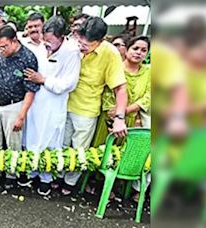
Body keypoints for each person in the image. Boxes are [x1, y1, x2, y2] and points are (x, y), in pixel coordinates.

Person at [63, 16, 128, 195]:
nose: (82, 47)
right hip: (62, 105)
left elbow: (121, 89)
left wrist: (120, 118)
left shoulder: (110, 53)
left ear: (101, 41)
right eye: (81, 41)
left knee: (78, 150)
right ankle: (56, 177)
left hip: (86, 109)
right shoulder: (70, 44)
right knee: (61, 145)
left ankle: (69, 183)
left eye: (88, 45)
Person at [23, 16, 81, 196]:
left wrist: (44, 79)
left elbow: (68, 84)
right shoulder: (40, 47)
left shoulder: (72, 52)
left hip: (54, 104)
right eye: (44, 40)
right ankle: (32, 172)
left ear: (62, 37)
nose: (46, 45)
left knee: (50, 141)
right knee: (32, 137)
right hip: (36, 102)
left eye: (50, 42)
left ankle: (46, 179)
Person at [0, 25, 40, 188]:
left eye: (4, 46)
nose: (1, 50)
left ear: (14, 41)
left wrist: (21, 116)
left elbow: (31, 90)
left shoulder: (28, 58)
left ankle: (12, 173)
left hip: (15, 105)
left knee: (13, 143)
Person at [92, 36, 151, 147]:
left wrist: (126, 111)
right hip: (109, 119)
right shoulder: (115, 68)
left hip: (131, 120)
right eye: (135, 48)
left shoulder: (148, 72)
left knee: (124, 155)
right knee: (101, 151)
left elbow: (148, 97)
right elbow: (107, 92)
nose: (139, 53)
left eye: (144, 50)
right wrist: (115, 116)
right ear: (127, 49)